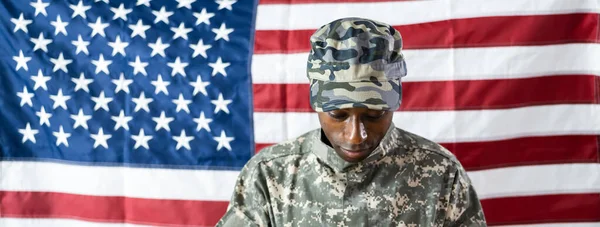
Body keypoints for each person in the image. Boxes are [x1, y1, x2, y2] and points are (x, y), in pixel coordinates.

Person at [216, 17, 487, 227]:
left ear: (394, 103)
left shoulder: (440, 173)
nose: (355, 136)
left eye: (373, 115)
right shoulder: (271, 174)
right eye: (338, 115)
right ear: (317, 104)